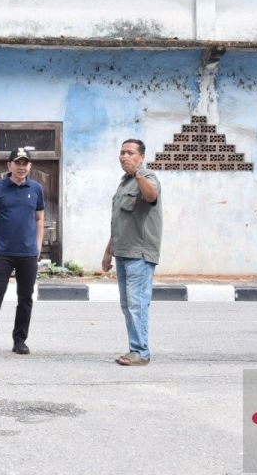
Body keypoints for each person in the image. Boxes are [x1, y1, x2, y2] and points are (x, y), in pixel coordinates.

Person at [0, 147, 45, 357]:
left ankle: (20, 340)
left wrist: (38, 246)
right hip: (4, 253)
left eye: (25, 163)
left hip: (28, 254)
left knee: (25, 298)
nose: (21, 167)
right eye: (18, 163)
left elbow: (40, 218)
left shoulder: (36, 189)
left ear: (30, 166)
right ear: (9, 165)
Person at [101, 139, 162, 367]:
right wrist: (108, 252)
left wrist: (138, 175)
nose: (124, 156)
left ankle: (141, 352)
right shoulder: (124, 183)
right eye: (122, 152)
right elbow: (120, 223)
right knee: (128, 304)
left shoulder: (147, 178)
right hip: (123, 252)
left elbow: (151, 196)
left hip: (140, 253)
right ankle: (135, 348)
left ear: (141, 157)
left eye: (130, 152)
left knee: (137, 303)